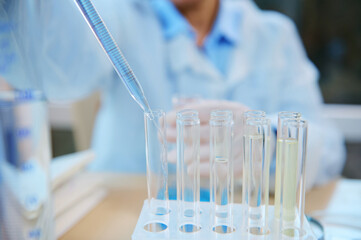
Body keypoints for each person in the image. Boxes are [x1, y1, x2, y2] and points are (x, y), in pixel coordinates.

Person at [1, 0, 345, 190]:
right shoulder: (117, 14)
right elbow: (48, 60)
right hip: (126, 219)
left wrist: (268, 143)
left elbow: (330, 150)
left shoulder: (274, 34)